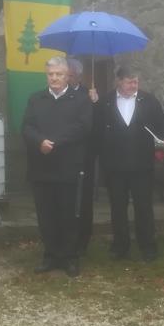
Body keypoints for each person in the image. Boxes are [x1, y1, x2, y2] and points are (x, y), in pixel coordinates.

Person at [22, 56, 93, 276]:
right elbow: (27, 127)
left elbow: (83, 127)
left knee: (68, 214)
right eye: (51, 74)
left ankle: (70, 257)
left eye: (59, 74)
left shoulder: (80, 100)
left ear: (67, 76)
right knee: (46, 215)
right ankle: (50, 256)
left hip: (68, 167)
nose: (54, 78)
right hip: (41, 167)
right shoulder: (36, 99)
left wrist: (55, 142)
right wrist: (40, 141)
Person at [94, 67, 164, 262]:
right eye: (129, 81)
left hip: (141, 164)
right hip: (114, 165)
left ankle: (148, 246)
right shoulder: (105, 102)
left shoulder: (149, 100)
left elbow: (162, 124)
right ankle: (120, 245)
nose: (134, 85)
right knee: (117, 207)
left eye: (136, 81)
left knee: (144, 206)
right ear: (118, 81)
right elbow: (96, 130)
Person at [67, 58, 97, 252]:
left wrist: (96, 104)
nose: (66, 78)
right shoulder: (59, 95)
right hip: (64, 155)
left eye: (70, 75)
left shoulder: (89, 95)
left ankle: (83, 239)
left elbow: (96, 126)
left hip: (85, 155)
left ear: (78, 76)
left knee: (84, 198)